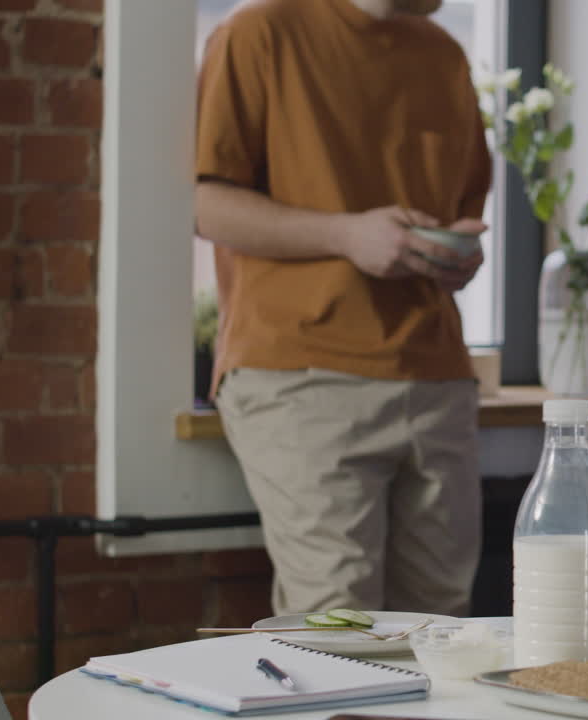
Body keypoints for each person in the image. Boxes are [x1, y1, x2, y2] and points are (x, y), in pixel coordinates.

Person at [194, 0, 491, 616]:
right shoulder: (258, 33)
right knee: (337, 627)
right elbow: (206, 206)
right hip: (302, 376)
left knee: (444, 633)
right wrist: (346, 235)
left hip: (437, 376)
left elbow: (459, 205)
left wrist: (454, 256)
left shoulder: (445, 56)